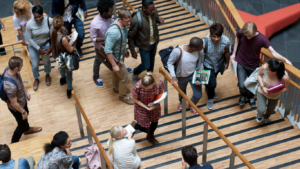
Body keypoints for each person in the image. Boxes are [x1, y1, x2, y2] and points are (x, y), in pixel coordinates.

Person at [230, 22, 292, 107]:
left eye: (250, 36)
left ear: (255, 31)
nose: (248, 38)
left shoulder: (262, 39)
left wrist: (284, 59)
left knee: (252, 83)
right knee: (241, 85)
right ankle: (243, 95)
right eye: (246, 35)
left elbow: (273, 52)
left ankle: (251, 97)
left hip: (253, 65)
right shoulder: (241, 32)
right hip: (241, 62)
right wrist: (233, 54)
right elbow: (237, 39)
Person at [3, 56, 42, 143]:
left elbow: (19, 81)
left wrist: (26, 92)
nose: (23, 66)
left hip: (22, 101)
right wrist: (23, 112)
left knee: (25, 117)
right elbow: (14, 104)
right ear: (16, 68)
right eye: (21, 65)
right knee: (21, 126)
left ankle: (27, 129)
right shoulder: (10, 86)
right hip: (17, 108)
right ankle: (13, 143)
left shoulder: (10, 69)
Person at [128, 0, 164, 85]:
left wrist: (159, 20)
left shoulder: (154, 11)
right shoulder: (136, 20)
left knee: (151, 62)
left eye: (153, 9)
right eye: (150, 10)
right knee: (146, 65)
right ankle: (135, 72)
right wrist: (132, 51)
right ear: (144, 8)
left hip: (154, 43)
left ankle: (149, 76)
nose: (153, 11)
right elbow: (130, 36)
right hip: (144, 46)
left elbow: (155, 20)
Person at [104, 8, 134, 105]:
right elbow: (108, 50)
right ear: (120, 19)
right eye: (127, 21)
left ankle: (116, 87)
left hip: (120, 55)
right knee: (125, 78)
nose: (129, 23)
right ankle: (123, 96)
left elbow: (121, 40)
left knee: (116, 73)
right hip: (116, 59)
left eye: (130, 20)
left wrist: (124, 49)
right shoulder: (113, 32)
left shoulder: (123, 25)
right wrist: (113, 64)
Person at [168, 37, 204, 115]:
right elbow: (169, 63)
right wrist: (173, 76)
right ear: (194, 48)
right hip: (181, 77)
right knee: (182, 92)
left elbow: (200, 63)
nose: (203, 47)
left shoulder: (200, 51)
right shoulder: (177, 51)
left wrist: (199, 77)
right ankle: (181, 102)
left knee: (198, 95)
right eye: (201, 46)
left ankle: (192, 105)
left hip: (193, 75)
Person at [203, 23, 230, 110]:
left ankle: (208, 88)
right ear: (210, 34)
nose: (216, 39)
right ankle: (210, 98)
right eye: (214, 36)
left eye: (218, 37)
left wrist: (227, 63)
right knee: (213, 84)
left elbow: (226, 52)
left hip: (218, 65)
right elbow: (200, 55)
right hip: (208, 64)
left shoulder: (226, 41)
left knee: (211, 80)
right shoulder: (204, 41)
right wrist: (200, 67)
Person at [131, 72, 164, 145]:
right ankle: (135, 125)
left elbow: (161, 94)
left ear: (154, 82)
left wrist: (156, 104)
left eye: (148, 88)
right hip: (141, 105)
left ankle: (150, 136)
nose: (146, 90)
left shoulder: (159, 82)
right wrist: (146, 107)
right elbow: (134, 98)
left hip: (154, 104)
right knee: (146, 128)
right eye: (144, 88)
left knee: (155, 121)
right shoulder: (137, 86)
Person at [26, 5, 52, 91]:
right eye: (35, 17)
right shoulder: (29, 24)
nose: (38, 19)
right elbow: (29, 38)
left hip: (45, 44)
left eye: (40, 16)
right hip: (34, 46)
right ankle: (36, 78)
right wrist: (38, 48)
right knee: (35, 64)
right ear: (33, 15)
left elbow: (57, 29)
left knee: (46, 62)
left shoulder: (49, 20)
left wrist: (51, 46)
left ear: (42, 14)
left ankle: (47, 74)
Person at [50, 15, 77, 98]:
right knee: (69, 73)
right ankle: (69, 89)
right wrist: (74, 41)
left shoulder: (51, 30)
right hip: (65, 56)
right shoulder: (63, 39)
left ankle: (62, 79)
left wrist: (67, 37)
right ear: (62, 25)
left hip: (58, 55)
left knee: (62, 66)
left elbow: (59, 40)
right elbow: (70, 50)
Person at [256, 59, 290, 123]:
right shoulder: (264, 67)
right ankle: (259, 114)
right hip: (262, 91)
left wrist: (274, 94)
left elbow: (286, 87)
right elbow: (259, 75)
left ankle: (266, 117)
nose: (266, 68)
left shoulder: (284, 76)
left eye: (268, 69)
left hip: (274, 95)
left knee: (271, 109)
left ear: (274, 72)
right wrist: (263, 87)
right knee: (261, 109)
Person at [90, 0, 114, 88]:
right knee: (98, 61)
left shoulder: (110, 17)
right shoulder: (94, 23)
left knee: (116, 56)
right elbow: (93, 38)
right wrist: (106, 38)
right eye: (111, 11)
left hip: (112, 43)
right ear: (104, 12)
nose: (113, 12)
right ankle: (95, 77)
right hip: (101, 47)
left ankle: (121, 68)